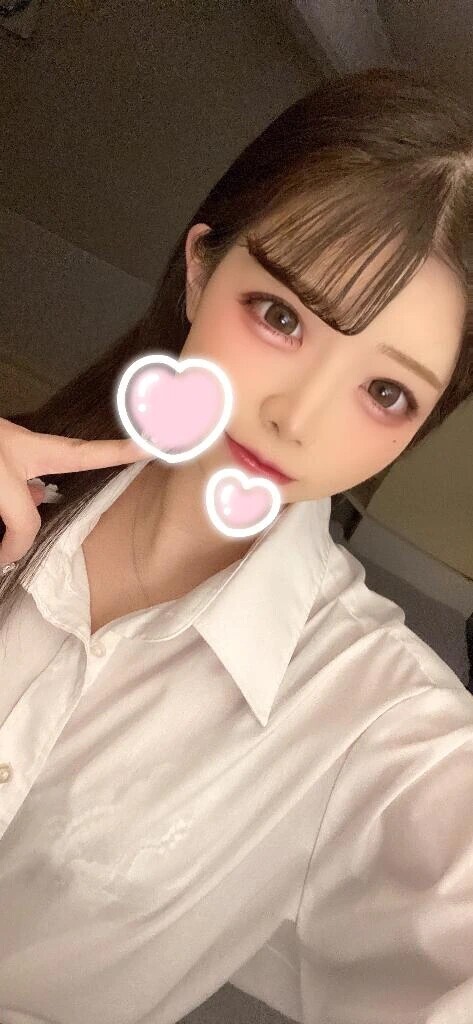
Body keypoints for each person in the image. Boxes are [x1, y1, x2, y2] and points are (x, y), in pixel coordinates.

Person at [0, 65, 472, 1024]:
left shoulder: (379, 725)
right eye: (280, 316)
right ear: (199, 270)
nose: (297, 418)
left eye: (385, 392)